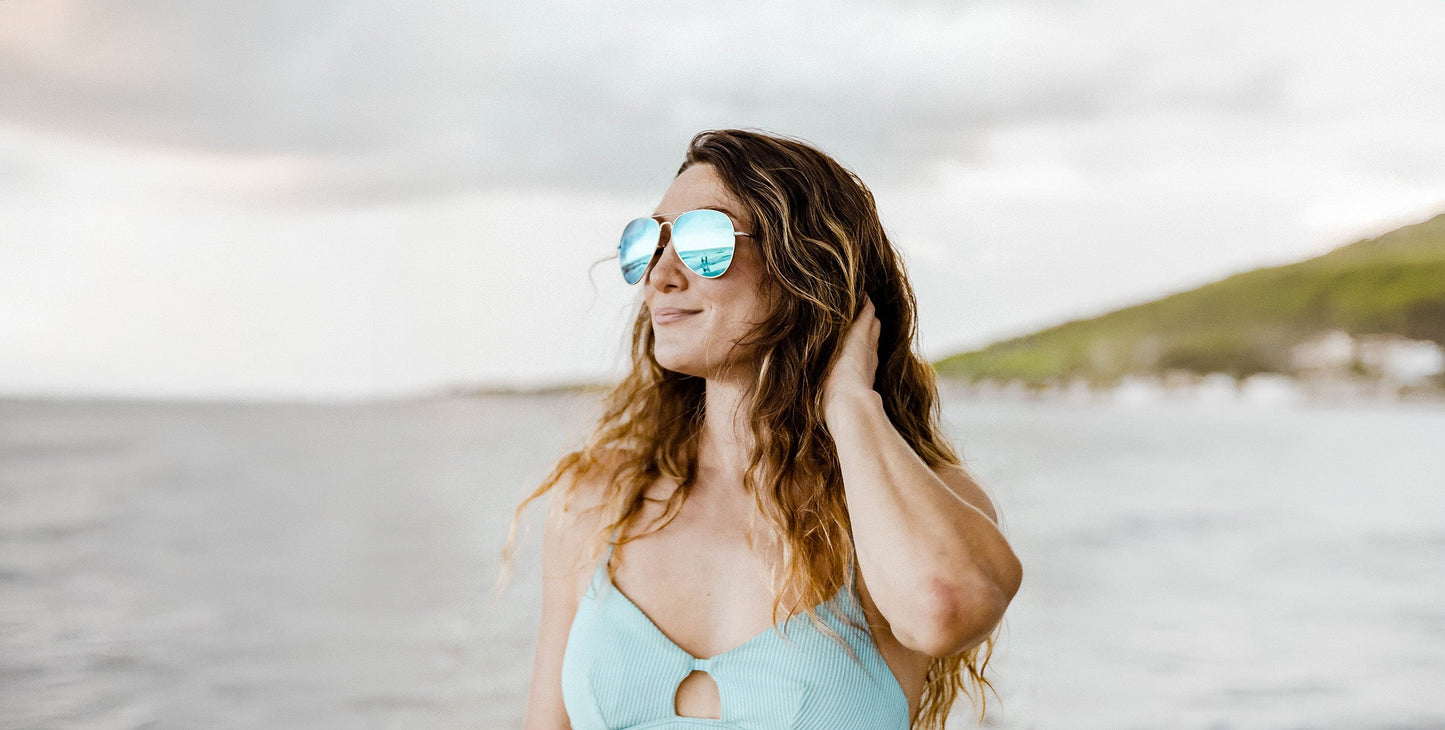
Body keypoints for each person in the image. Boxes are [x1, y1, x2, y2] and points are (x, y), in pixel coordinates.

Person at [498, 128, 1022, 729]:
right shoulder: (596, 501)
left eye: (703, 239)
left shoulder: (910, 505)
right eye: (648, 243)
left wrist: (850, 405)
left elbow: (943, 611)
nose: (660, 275)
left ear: (805, 266)